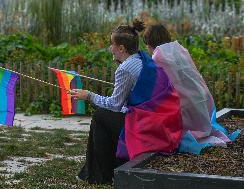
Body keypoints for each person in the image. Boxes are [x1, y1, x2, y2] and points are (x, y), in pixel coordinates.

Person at [69, 20, 182, 185]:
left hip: (148, 125)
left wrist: (89, 96)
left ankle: (102, 175)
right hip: (162, 122)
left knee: (100, 116)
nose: (110, 48)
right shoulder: (141, 59)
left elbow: (115, 104)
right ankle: (95, 170)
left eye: (111, 44)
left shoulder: (125, 69)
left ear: (121, 48)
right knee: (105, 117)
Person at [142, 24, 241, 154]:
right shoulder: (179, 49)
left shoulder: (158, 56)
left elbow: (156, 87)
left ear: (149, 43)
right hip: (201, 97)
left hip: (185, 104)